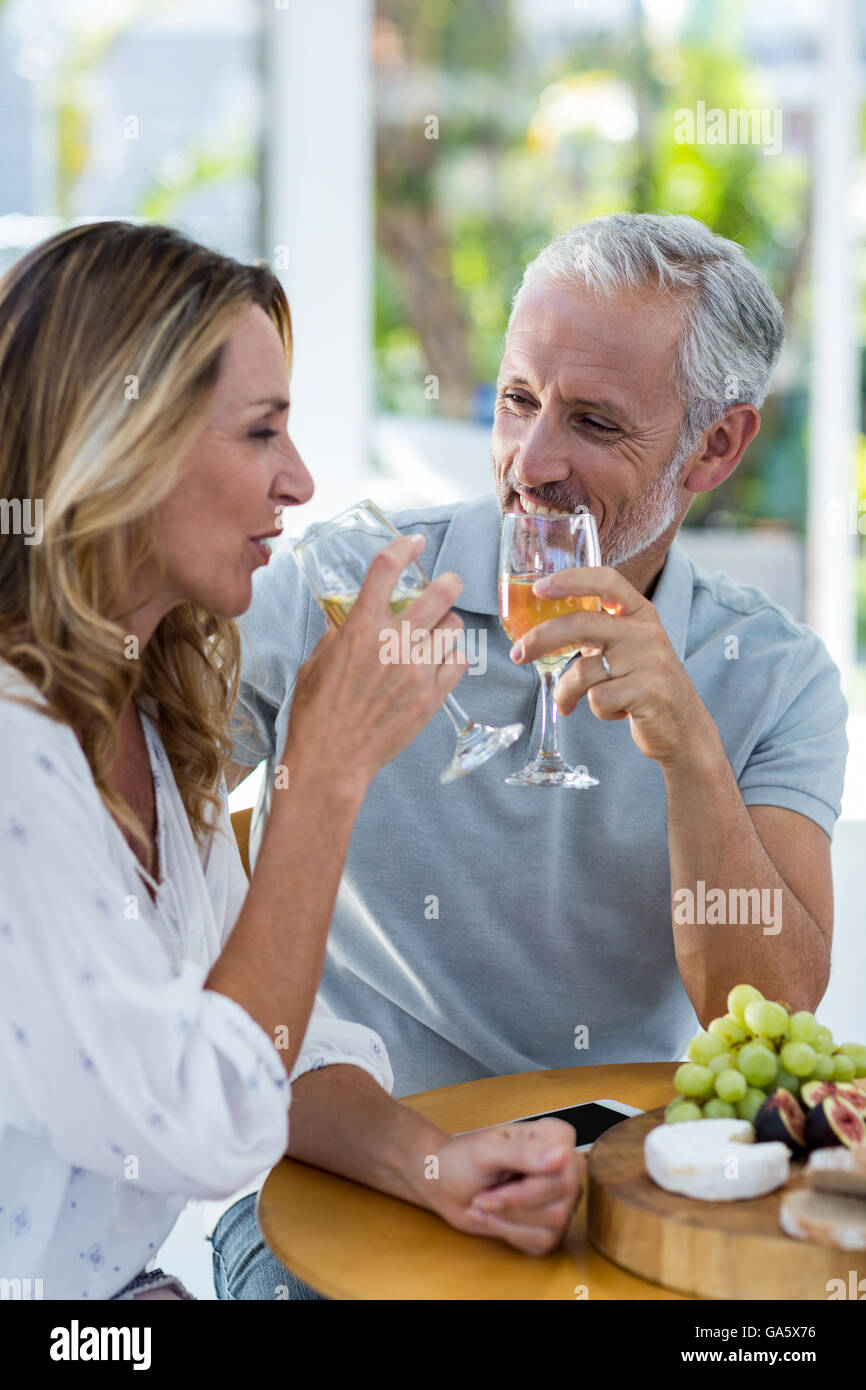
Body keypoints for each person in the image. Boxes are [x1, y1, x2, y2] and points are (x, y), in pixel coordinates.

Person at [212, 211, 848, 1298]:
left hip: (606, 1189)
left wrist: (687, 745)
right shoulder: (354, 586)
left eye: (593, 422)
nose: (529, 463)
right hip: (347, 1177)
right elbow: (108, 751)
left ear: (716, 445)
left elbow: (770, 1004)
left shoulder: (769, 672)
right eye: (516, 401)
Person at [0, 220, 584, 1302]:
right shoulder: (15, 760)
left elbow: (274, 1042)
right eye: (261, 433)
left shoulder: (143, 713)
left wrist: (432, 1164)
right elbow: (208, 1119)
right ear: (121, 446)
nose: (300, 481)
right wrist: (320, 778)